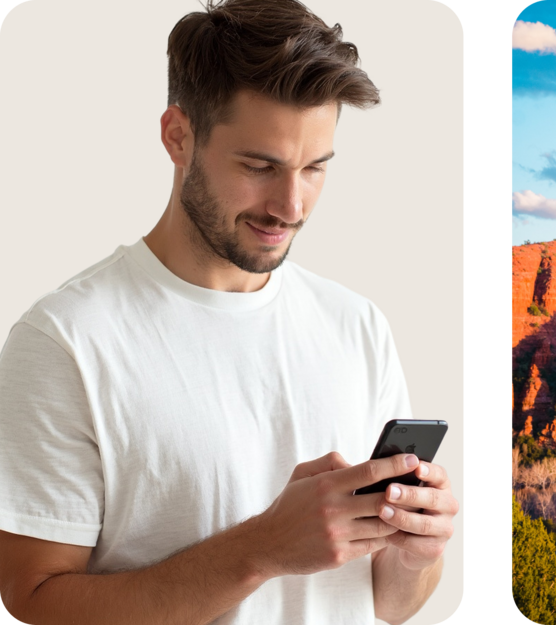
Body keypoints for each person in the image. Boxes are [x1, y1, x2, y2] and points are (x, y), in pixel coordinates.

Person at [0, 1, 456, 624]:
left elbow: (388, 603)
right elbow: (29, 605)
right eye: (260, 167)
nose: (291, 206)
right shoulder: (67, 342)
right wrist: (262, 549)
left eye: (314, 169)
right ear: (178, 136)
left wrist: (414, 554)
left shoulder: (357, 326)